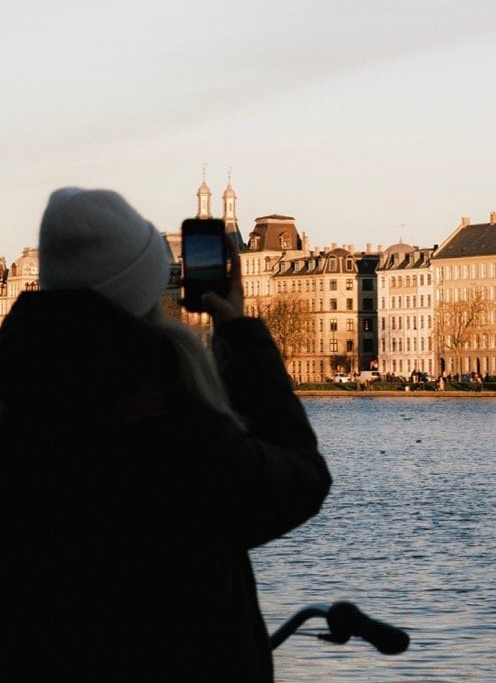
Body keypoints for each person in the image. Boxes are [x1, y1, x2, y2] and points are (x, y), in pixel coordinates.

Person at [0, 187, 332, 683]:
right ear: (148, 291)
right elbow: (300, 479)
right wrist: (239, 333)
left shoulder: (20, 415)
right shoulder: (170, 432)